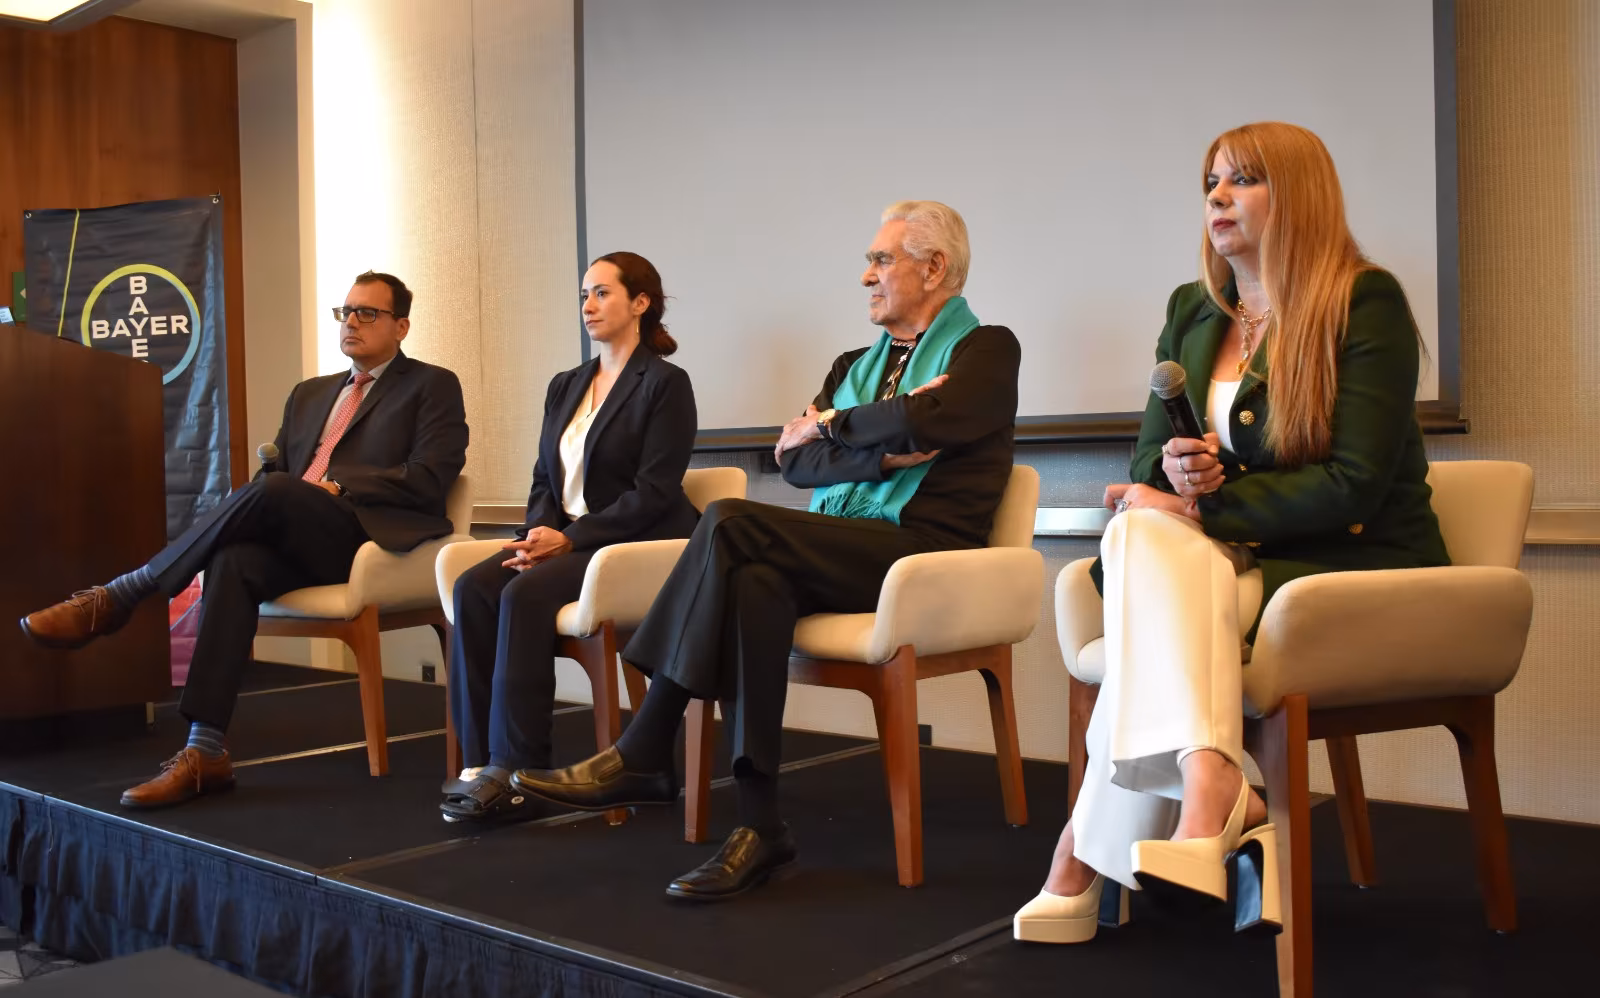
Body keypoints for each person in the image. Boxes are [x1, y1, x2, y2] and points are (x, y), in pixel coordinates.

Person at [1012, 122, 1449, 944]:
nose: (1217, 196)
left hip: (1342, 562)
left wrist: (1199, 507)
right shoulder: (1193, 310)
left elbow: (1353, 485)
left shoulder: (1365, 302)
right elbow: (1148, 461)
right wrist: (1176, 479)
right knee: (1144, 536)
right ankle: (1213, 786)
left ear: (1298, 193)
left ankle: (1084, 848)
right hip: (1221, 560)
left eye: (1243, 179)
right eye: (1211, 181)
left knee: (1153, 559)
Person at [510, 200, 1021, 901]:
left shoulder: (986, 349)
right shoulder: (853, 364)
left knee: (728, 520)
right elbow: (798, 464)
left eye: (881, 260)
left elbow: (940, 417)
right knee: (754, 584)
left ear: (935, 268)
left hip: (927, 556)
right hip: (858, 548)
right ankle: (760, 826)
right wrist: (880, 451)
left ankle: (646, 744)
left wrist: (832, 424)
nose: (866, 275)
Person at [21, 271, 469, 809]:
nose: (351, 321)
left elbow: (430, 476)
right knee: (235, 558)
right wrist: (281, 491)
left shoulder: (431, 385)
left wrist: (340, 485)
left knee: (275, 491)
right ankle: (205, 749)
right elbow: (274, 479)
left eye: (367, 313)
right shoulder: (310, 394)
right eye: (345, 311)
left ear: (401, 327)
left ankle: (125, 593)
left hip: (368, 538)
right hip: (301, 532)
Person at [441, 251, 698, 823]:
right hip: (570, 541)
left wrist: (571, 539)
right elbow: (545, 479)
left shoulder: (665, 383)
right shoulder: (566, 385)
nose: (588, 305)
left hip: (631, 546)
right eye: (584, 294)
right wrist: (539, 533)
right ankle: (479, 764)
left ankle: (518, 770)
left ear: (640, 303)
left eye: (603, 293)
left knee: (523, 594)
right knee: (472, 588)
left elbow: (654, 493)